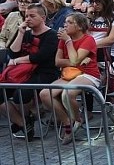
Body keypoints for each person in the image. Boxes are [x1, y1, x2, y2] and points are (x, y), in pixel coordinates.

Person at [1, 3, 60, 139]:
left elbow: (40, 57)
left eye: (32, 16)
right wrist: (21, 33)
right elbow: (13, 52)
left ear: (43, 17)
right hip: (22, 73)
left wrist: (17, 61)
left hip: (45, 72)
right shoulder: (25, 33)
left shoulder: (51, 35)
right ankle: (23, 122)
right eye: (26, 16)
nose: (28, 19)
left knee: (21, 95)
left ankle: (30, 115)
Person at [39, 12, 98, 144]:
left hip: (88, 74)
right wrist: (73, 61)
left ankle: (77, 120)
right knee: (45, 94)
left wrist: (69, 42)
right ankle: (67, 123)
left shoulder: (88, 39)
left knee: (68, 92)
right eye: (65, 22)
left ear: (80, 26)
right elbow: (58, 62)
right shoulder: (63, 40)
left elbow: (74, 59)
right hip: (69, 74)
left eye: (70, 22)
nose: (65, 25)